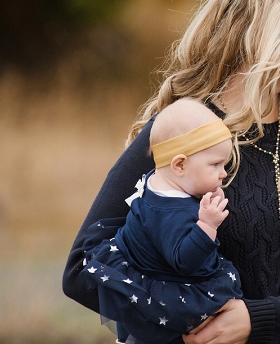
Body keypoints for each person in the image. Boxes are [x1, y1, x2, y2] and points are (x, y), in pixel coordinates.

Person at [63, 0, 280, 344]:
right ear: (267, 35)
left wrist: (255, 320)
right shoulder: (181, 134)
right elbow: (83, 270)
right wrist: (187, 313)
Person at [79, 98, 243, 343]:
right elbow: (185, 261)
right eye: (215, 164)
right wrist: (208, 224)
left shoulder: (155, 184)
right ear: (179, 165)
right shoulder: (170, 212)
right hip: (170, 295)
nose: (223, 173)